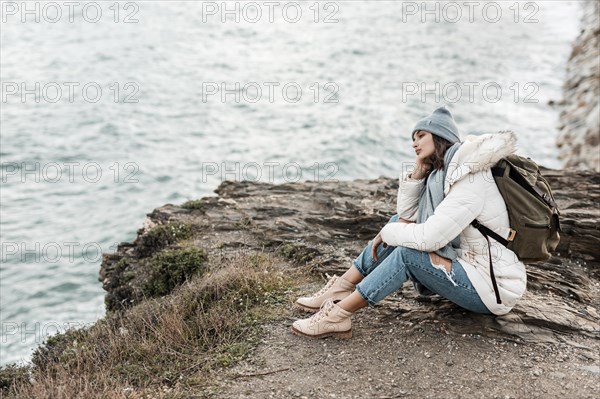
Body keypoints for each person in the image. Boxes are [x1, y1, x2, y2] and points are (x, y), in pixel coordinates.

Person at [291, 106, 527, 339]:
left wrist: (387, 233)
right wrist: (418, 174)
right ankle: (342, 287)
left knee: (407, 253)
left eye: (421, 135)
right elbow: (405, 215)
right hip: (467, 267)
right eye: (413, 138)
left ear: (440, 136)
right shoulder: (442, 175)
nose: (414, 143)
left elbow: (429, 238)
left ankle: (338, 316)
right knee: (398, 225)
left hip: (491, 288)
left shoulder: (471, 179)